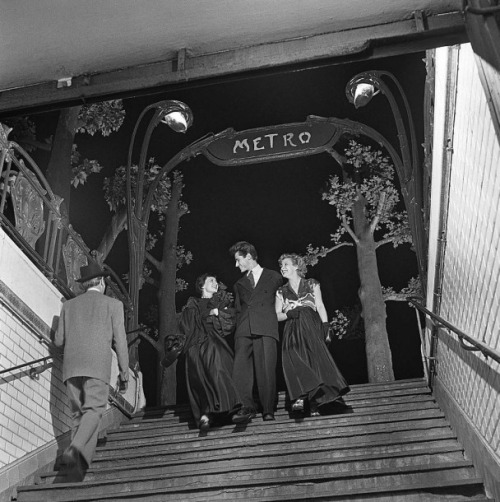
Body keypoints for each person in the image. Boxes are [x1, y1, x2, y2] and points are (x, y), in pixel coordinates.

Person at [54, 262, 129, 481]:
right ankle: (73, 450)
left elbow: (59, 341)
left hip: (71, 367)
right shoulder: (113, 305)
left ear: (84, 284)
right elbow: (121, 341)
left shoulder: (69, 305)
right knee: (94, 411)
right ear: (102, 282)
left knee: (80, 415)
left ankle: (78, 470)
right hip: (97, 366)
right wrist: (124, 371)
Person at [162, 273, 245, 430]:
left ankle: (233, 409)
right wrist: (175, 345)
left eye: (216, 280)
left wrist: (218, 313)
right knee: (200, 379)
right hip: (194, 346)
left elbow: (228, 325)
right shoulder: (193, 304)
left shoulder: (220, 305)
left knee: (220, 371)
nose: (215, 283)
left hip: (214, 344)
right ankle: (206, 415)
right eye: (211, 281)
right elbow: (185, 327)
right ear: (202, 286)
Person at [276, 253, 349, 416]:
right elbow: (276, 314)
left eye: (286, 264)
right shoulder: (281, 291)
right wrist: (288, 314)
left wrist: (325, 326)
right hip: (292, 329)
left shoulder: (311, 284)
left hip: (311, 326)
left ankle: (318, 404)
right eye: (281, 265)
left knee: (315, 362)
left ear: (296, 266)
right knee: (294, 360)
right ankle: (299, 401)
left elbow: (320, 305)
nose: (283, 268)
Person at [229, 241, 283, 422]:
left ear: (249, 256)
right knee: (240, 370)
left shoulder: (274, 276)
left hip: (266, 326)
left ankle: (268, 409)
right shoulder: (238, 284)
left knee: (266, 369)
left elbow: (282, 299)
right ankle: (246, 407)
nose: (236, 265)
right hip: (244, 329)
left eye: (238, 260)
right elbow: (237, 309)